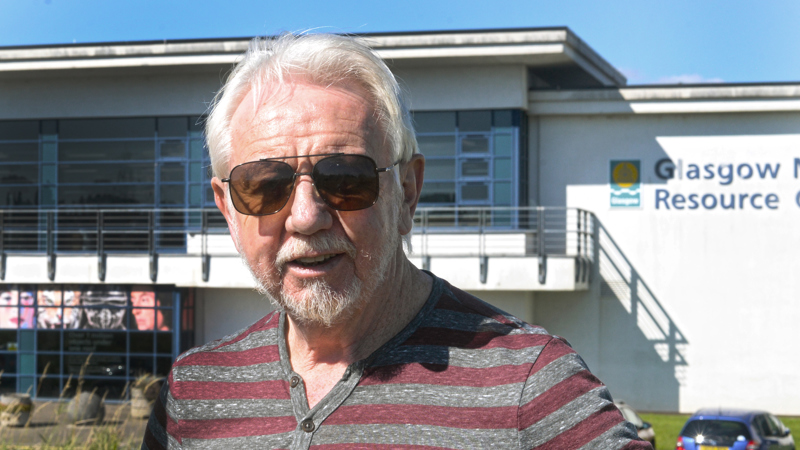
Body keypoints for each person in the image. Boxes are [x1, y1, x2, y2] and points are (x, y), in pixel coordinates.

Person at [143, 33, 651, 450]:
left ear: (406, 193)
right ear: (228, 208)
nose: (305, 216)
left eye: (345, 178)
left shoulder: (528, 384)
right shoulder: (193, 396)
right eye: (265, 186)